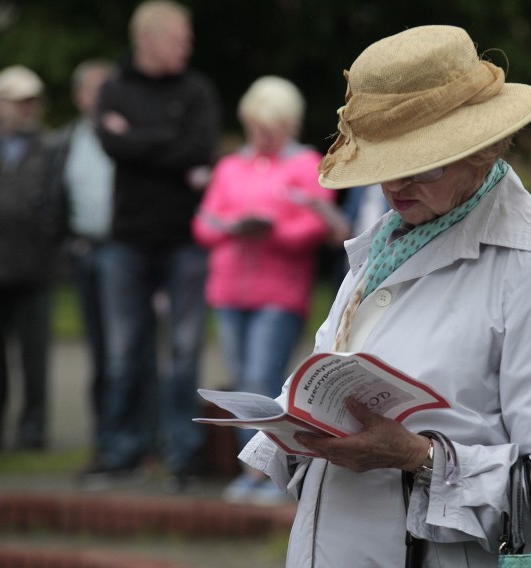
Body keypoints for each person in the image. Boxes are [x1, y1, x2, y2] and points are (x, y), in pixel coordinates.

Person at [239, 25, 531, 566]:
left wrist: (420, 457)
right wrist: (294, 428)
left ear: (482, 148)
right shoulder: (385, 244)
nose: (396, 186)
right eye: (385, 165)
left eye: (424, 162)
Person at [85, 0, 221, 491]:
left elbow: (200, 147)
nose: (187, 47)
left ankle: (182, 456)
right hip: (127, 242)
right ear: (149, 40)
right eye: (179, 38)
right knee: (124, 352)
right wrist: (166, 140)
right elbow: (111, 144)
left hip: (186, 242)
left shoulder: (197, 90)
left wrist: (138, 137)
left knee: (184, 352)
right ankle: (122, 451)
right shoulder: (114, 89)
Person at [192, 76, 336, 504]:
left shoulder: (306, 163)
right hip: (229, 288)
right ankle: (248, 469)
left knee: (263, 378)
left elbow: (316, 225)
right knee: (241, 379)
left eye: (269, 127)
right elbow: (203, 223)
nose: (260, 135)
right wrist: (231, 229)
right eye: (255, 126)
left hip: (279, 290)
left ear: (288, 123)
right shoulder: (230, 165)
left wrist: (275, 233)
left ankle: (265, 472)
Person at [0, 65, 67, 451]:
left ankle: (33, 433)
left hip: (36, 269)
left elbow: (57, 206)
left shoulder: (51, 147)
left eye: (32, 101)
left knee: (34, 360)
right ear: (0, 104)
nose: (28, 109)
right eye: (19, 101)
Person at [60, 58, 116, 465]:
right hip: (84, 250)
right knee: (99, 350)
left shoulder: (126, 134)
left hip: (123, 250)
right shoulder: (65, 140)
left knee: (127, 351)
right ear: (79, 97)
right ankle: (104, 437)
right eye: (94, 89)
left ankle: (132, 439)